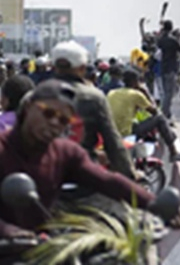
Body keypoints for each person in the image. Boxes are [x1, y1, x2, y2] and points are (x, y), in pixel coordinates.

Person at [0, 80, 180, 244]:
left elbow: (107, 181)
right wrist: (9, 232)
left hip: (42, 246)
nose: (55, 123)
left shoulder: (64, 152)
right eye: (48, 113)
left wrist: (154, 204)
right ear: (26, 109)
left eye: (64, 119)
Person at [51, 41, 136, 179]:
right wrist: (131, 176)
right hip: (83, 176)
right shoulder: (93, 97)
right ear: (82, 68)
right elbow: (113, 142)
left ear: (54, 66)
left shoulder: (34, 96)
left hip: (44, 176)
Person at [107, 69, 180, 161]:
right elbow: (155, 112)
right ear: (135, 81)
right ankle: (173, 152)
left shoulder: (112, 93)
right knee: (160, 119)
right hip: (127, 133)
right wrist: (145, 93)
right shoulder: (135, 94)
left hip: (112, 131)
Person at [157, 20, 180, 121]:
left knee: (165, 92)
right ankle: (164, 113)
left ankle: (166, 112)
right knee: (169, 93)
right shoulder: (173, 40)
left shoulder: (161, 40)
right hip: (171, 68)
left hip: (163, 68)